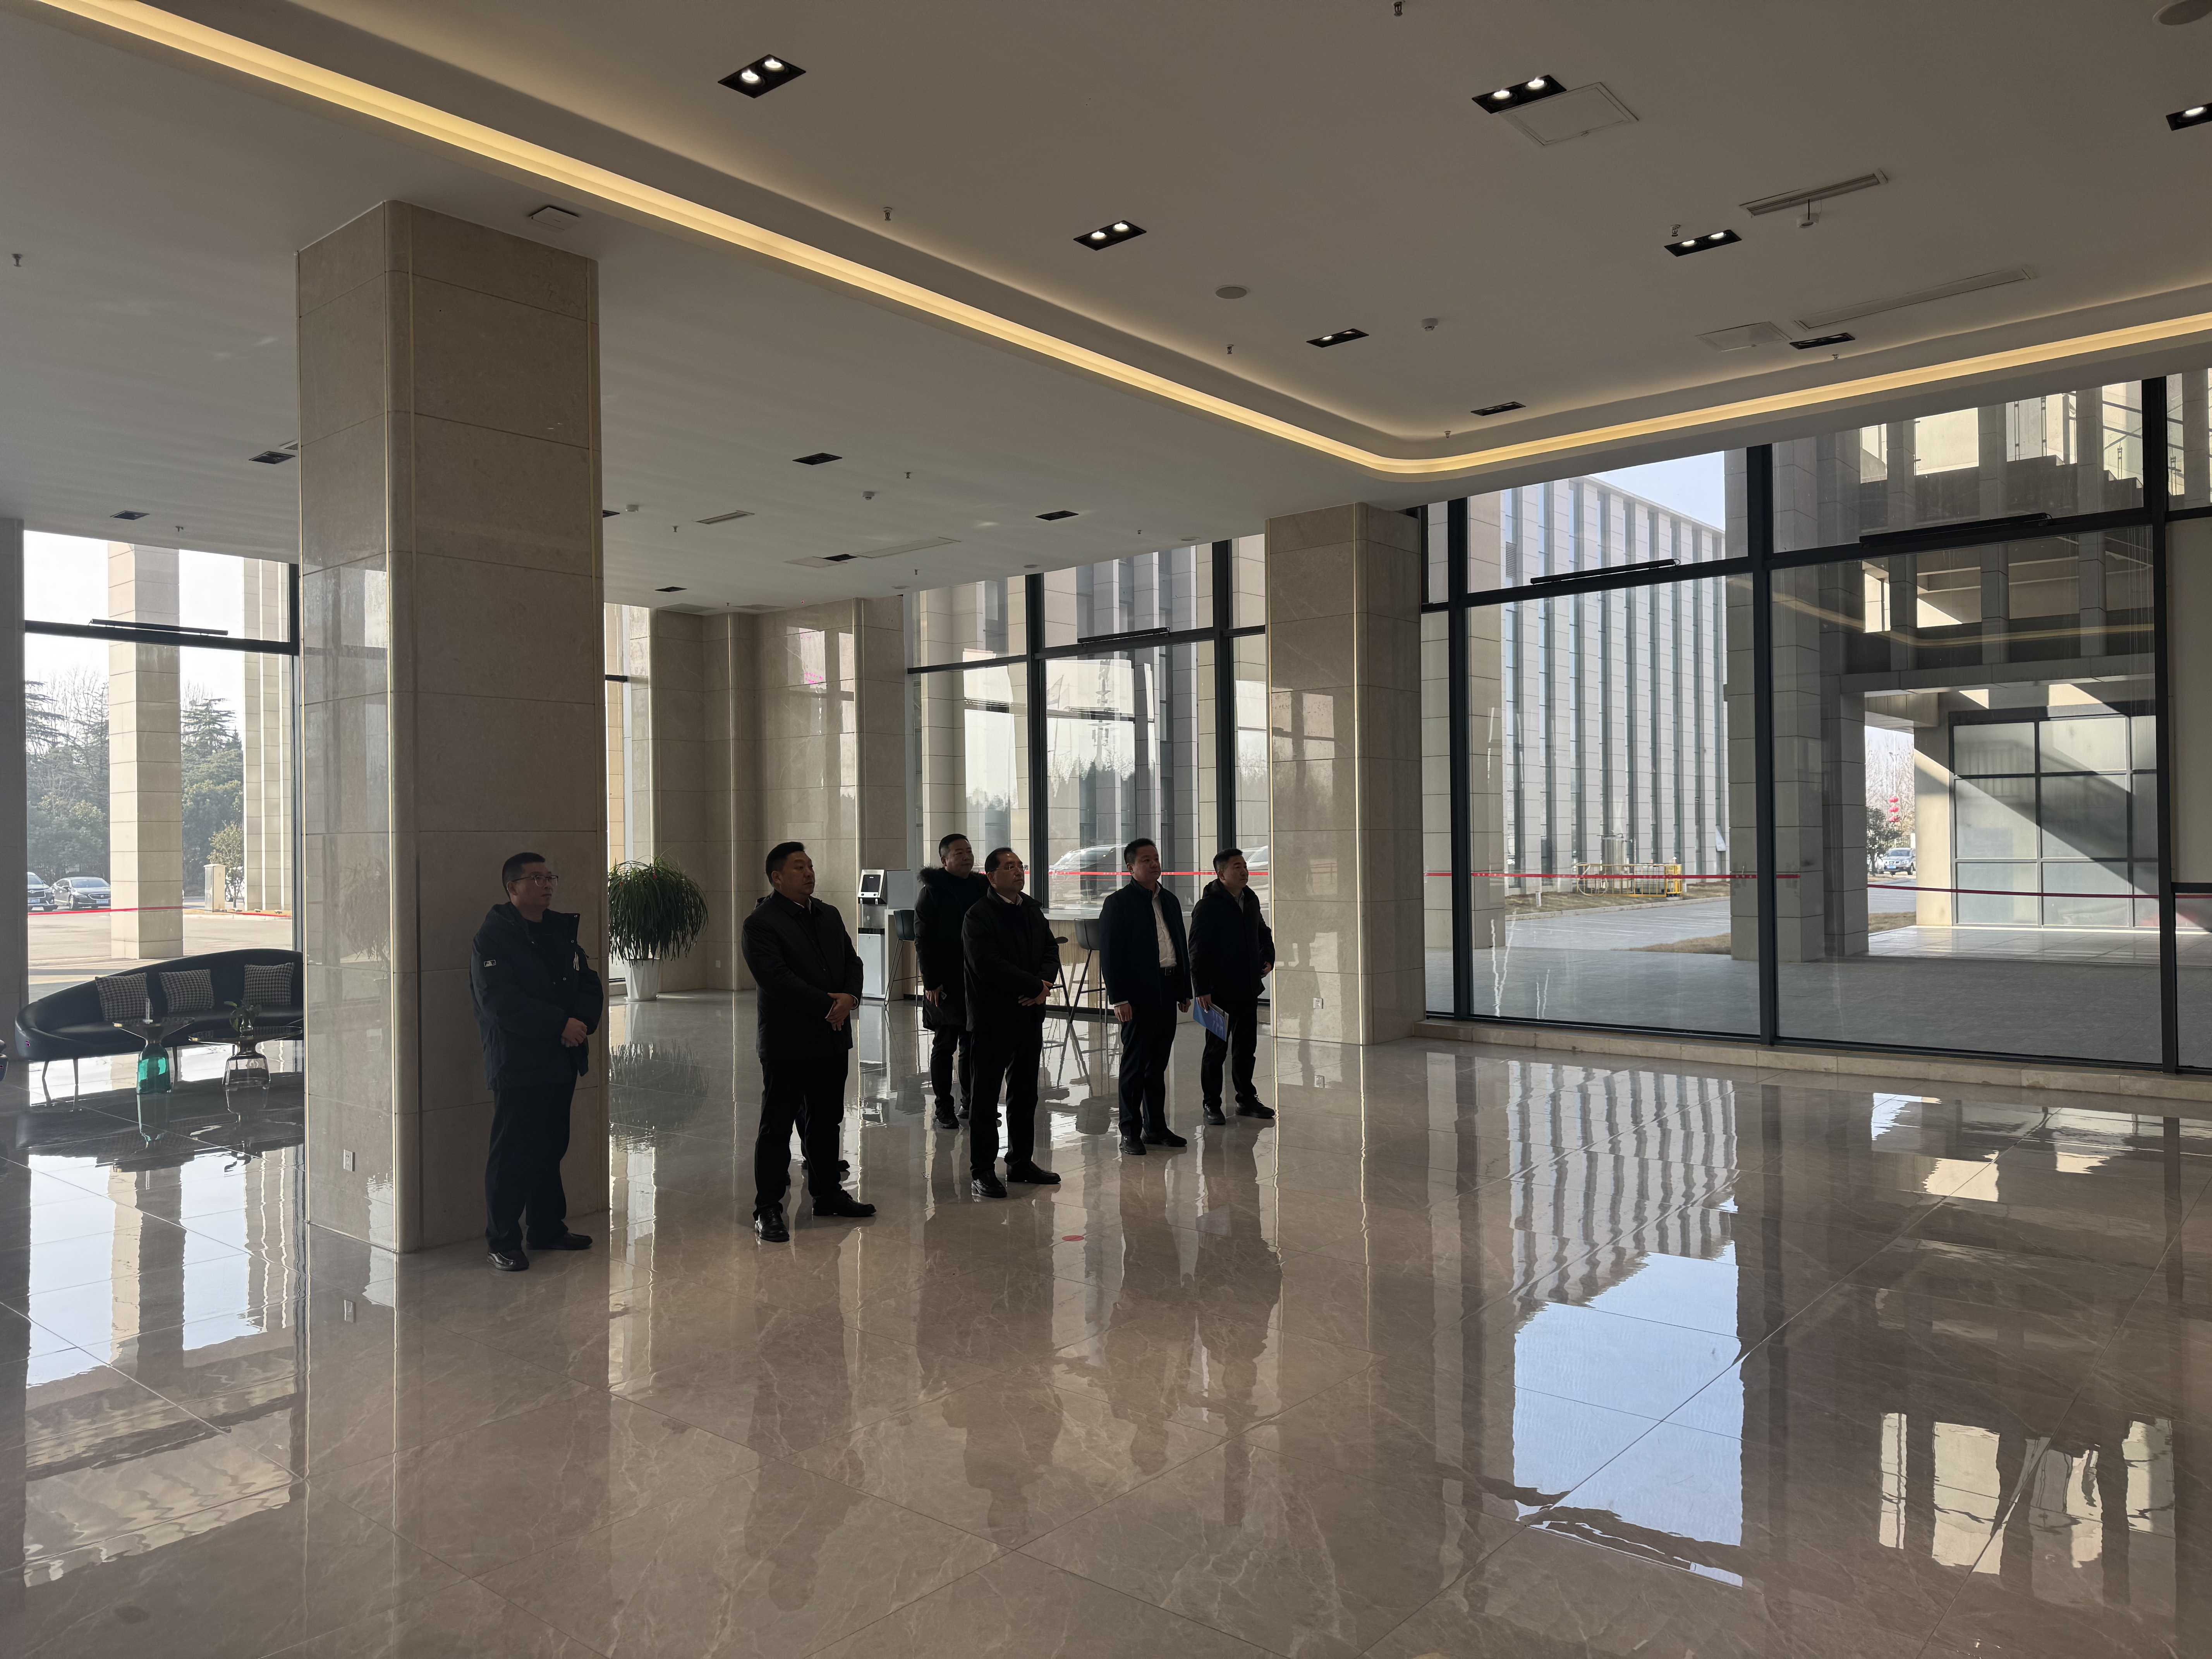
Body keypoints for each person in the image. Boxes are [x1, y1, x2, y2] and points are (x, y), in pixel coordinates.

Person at [471, 852, 603, 1273]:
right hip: (518, 1062)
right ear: (513, 888)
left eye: (550, 878)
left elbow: (588, 981)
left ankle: (547, 1228)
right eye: (536, 879)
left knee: (551, 1146)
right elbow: (500, 1003)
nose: (547, 885)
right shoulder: (493, 938)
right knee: (513, 1153)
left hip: (561, 1056)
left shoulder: (560, 930)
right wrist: (558, 1024)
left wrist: (580, 1023)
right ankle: (503, 1240)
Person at [740, 841, 876, 1241]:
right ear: (777, 877)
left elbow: (852, 961)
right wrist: (829, 1005)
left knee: (827, 1120)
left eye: (810, 866)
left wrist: (850, 998)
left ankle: (827, 1194)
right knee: (777, 1126)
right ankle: (768, 1208)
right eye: (799, 867)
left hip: (831, 1036)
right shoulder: (760, 923)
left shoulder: (828, 914)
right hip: (787, 1040)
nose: (809, 873)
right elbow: (776, 979)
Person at [960, 846, 1061, 1197]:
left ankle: (1020, 1162)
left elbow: (1050, 951)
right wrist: (1033, 986)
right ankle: (982, 1170)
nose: (1018, 872)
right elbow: (987, 964)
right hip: (992, 1017)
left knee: (1025, 1093)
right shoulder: (978, 915)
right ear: (991, 877)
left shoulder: (1031, 908)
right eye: (1009, 867)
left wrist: (1043, 985)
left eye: (1020, 866)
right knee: (986, 1098)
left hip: (1029, 1015)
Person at [1097, 837, 1191, 1156]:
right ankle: (1129, 1131)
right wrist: (1119, 998)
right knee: (1135, 1065)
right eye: (1146, 860)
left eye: (1156, 859)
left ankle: (1156, 1128)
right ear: (1131, 867)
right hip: (1137, 995)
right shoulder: (1118, 903)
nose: (1154, 864)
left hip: (1168, 987)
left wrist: (1184, 989)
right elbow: (1110, 955)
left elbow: (1179, 947)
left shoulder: (1170, 901)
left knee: (1158, 1065)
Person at [1188, 848, 1277, 1125]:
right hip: (1218, 992)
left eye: (1244, 866)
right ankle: (1211, 1104)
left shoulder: (1250, 899)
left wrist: (1268, 956)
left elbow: (1262, 932)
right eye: (1236, 867)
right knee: (1216, 1050)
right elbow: (1197, 950)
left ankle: (1246, 1099)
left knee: (1246, 1048)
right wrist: (1202, 988)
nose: (1244, 871)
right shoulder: (1208, 906)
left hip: (1248, 987)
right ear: (1221, 874)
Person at [914, 832, 987, 1130]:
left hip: (976, 979)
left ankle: (970, 1102)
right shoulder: (932, 892)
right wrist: (931, 982)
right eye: (959, 853)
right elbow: (923, 940)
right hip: (944, 980)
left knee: (973, 1044)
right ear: (944, 860)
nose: (967, 856)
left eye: (969, 851)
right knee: (945, 1045)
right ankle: (943, 1106)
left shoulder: (982, 886)